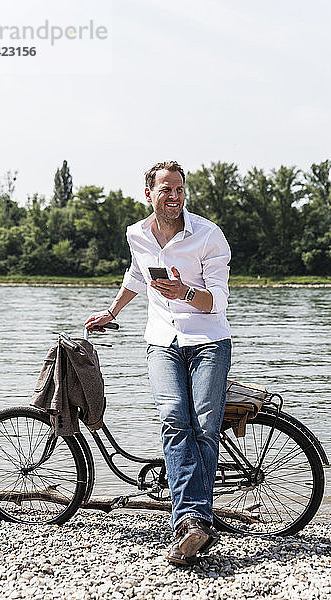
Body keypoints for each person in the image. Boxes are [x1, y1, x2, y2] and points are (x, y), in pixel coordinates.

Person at [85, 161, 231, 565]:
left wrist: (185, 292)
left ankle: (191, 523)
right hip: (161, 340)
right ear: (149, 193)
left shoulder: (207, 235)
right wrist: (112, 312)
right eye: (166, 189)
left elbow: (218, 300)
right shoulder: (137, 234)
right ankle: (195, 523)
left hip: (208, 340)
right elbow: (135, 275)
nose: (174, 196)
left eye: (179, 189)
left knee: (203, 426)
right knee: (172, 418)